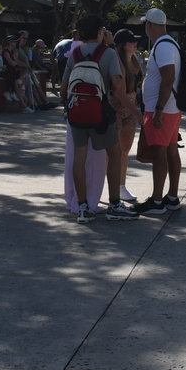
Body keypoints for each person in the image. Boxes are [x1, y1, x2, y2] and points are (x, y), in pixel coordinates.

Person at [64, 16, 134, 222]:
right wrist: (129, 109)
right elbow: (118, 85)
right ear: (99, 33)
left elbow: (63, 87)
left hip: (77, 112)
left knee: (79, 156)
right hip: (101, 114)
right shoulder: (108, 53)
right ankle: (114, 204)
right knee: (114, 154)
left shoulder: (75, 53)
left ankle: (83, 207)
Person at [134, 8, 184, 214]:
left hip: (162, 109)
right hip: (172, 108)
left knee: (160, 153)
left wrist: (159, 109)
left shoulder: (162, 46)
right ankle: (171, 197)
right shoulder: (171, 43)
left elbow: (168, 77)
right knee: (171, 150)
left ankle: (156, 201)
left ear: (150, 25)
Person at [108, 28, 144, 206]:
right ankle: (112, 187)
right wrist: (138, 113)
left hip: (130, 106)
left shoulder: (136, 61)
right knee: (112, 151)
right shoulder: (116, 61)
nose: (135, 44)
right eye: (131, 42)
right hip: (116, 108)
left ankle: (121, 186)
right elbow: (119, 93)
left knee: (124, 150)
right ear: (122, 45)